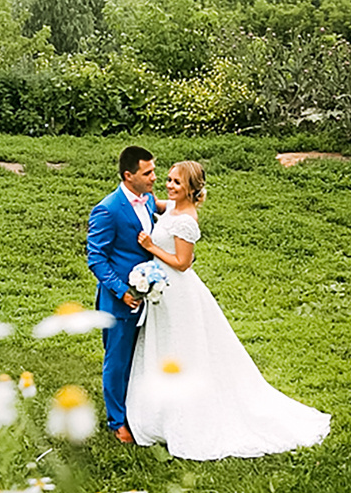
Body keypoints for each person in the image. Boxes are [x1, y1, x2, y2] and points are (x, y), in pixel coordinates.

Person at [126, 161, 330, 460]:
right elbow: (153, 203)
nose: (169, 186)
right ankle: (159, 412)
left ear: (191, 190)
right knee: (164, 346)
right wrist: (137, 194)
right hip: (164, 291)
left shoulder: (187, 220)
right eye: (168, 180)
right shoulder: (172, 206)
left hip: (178, 289)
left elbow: (183, 262)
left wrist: (150, 246)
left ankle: (188, 414)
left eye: (176, 183)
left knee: (183, 349)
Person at [85, 145, 159, 443]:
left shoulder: (149, 200)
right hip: (120, 301)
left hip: (150, 294)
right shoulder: (108, 209)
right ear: (129, 176)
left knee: (141, 356)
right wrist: (121, 290)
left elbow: (157, 208)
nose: (155, 177)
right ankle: (117, 422)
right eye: (148, 173)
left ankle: (138, 410)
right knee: (116, 361)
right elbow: (96, 257)